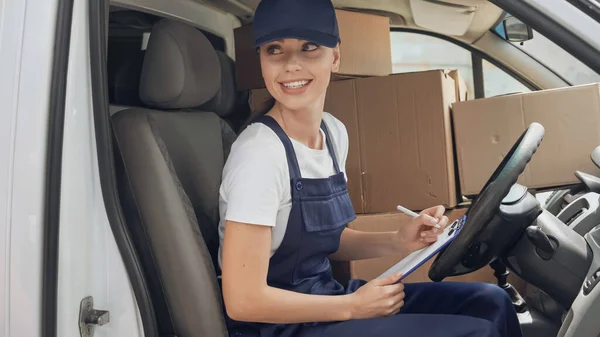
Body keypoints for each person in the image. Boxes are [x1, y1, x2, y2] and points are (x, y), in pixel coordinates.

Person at [217, 0, 523, 336]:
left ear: (335, 57)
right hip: (278, 327)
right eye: (275, 49)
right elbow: (243, 300)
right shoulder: (259, 155)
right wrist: (352, 307)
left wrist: (398, 240)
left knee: (490, 300)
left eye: (309, 47)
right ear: (261, 60)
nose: (292, 65)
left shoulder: (332, 133)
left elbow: (325, 240)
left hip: (326, 301)